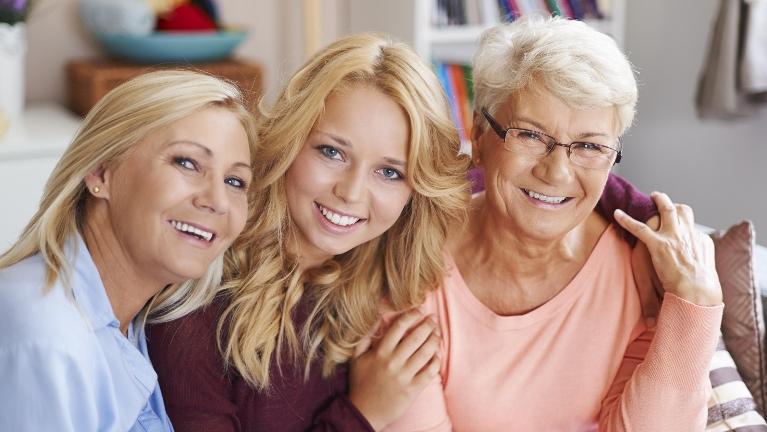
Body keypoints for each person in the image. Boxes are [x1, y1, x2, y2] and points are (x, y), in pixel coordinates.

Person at [147, 33, 659, 432]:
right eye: (332, 152)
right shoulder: (198, 304)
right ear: (287, 140)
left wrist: (653, 221)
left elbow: (522, 176)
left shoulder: (371, 266)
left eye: (389, 171)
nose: (351, 193)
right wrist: (363, 413)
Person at [387, 16, 723, 431]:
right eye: (529, 135)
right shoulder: (412, 260)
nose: (557, 173)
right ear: (479, 134)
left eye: (589, 146)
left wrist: (697, 303)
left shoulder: (640, 273)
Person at [0, 70, 257, 432]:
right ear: (101, 172)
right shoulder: (46, 334)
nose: (217, 200)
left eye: (235, 181)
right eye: (186, 163)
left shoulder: (131, 327)